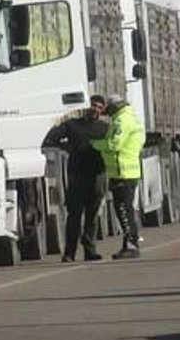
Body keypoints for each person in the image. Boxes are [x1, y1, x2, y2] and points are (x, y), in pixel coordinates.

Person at [43, 95, 110, 262]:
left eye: (99, 107)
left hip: (97, 175)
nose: (95, 109)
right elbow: (50, 140)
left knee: (92, 216)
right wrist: (68, 148)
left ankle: (90, 250)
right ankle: (69, 253)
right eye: (93, 105)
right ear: (88, 106)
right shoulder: (72, 125)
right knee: (74, 216)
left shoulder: (104, 128)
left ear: (102, 110)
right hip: (77, 175)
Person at [94, 93, 144, 260]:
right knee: (125, 209)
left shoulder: (122, 121)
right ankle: (129, 243)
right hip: (126, 172)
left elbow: (114, 144)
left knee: (123, 210)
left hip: (123, 172)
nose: (106, 113)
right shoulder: (130, 117)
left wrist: (94, 144)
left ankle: (131, 244)